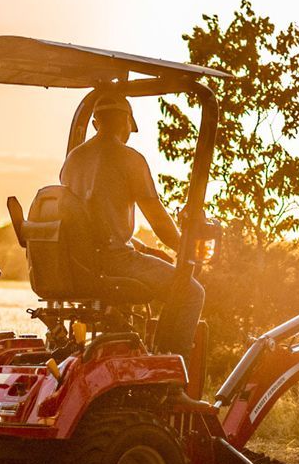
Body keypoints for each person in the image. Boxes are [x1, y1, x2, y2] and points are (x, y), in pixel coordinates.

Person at [59, 93, 212, 363]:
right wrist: (185, 249)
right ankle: (171, 370)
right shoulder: (129, 158)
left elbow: (90, 221)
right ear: (126, 123)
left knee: (166, 275)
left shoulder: (74, 159)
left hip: (80, 262)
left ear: (95, 123)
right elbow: (158, 219)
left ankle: (135, 354)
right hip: (113, 262)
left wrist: (147, 249)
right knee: (191, 292)